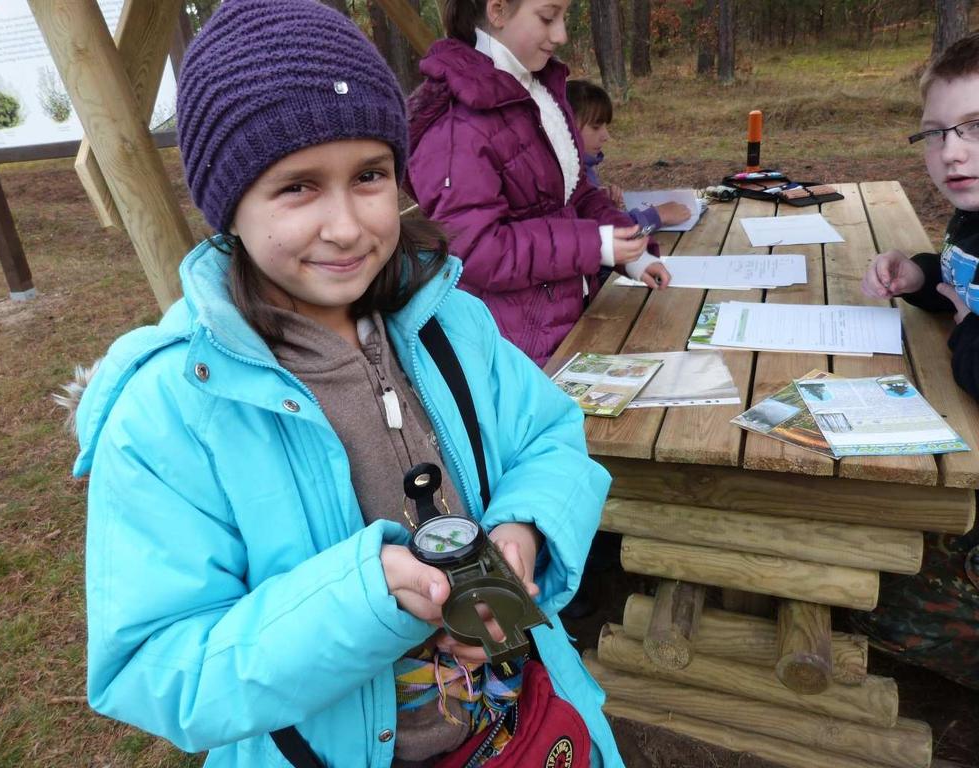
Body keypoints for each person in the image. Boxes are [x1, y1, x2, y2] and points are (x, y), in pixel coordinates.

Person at [62, 2, 627, 766]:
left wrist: (525, 527)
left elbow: (550, 435)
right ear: (229, 206)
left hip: (525, 729)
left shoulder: (449, 323)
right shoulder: (171, 415)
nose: (349, 226)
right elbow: (158, 667)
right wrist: (363, 601)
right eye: (298, 187)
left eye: (369, 176)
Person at [406, 0, 669, 367]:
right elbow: (477, 249)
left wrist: (632, 251)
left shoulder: (538, 92)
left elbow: (575, 193)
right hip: (514, 350)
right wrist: (596, 245)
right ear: (497, 11)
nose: (561, 34)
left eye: (563, 18)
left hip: (567, 322)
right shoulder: (458, 125)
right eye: (548, 18)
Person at [857, 32, 979, 690]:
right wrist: (919, 275)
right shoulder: (970, 215)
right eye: (935, 133)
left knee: (872, 593)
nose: (951, 152)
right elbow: (965, 283)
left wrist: (967, 334)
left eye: (974, 128)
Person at [565, 79, 690, 233]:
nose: (606, 136)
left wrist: (603, 204)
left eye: (605, 126)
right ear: (566, 126)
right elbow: (606, 234)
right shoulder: (566, 177)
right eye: (596, 127)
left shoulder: (581, 170)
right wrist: (657, 215)